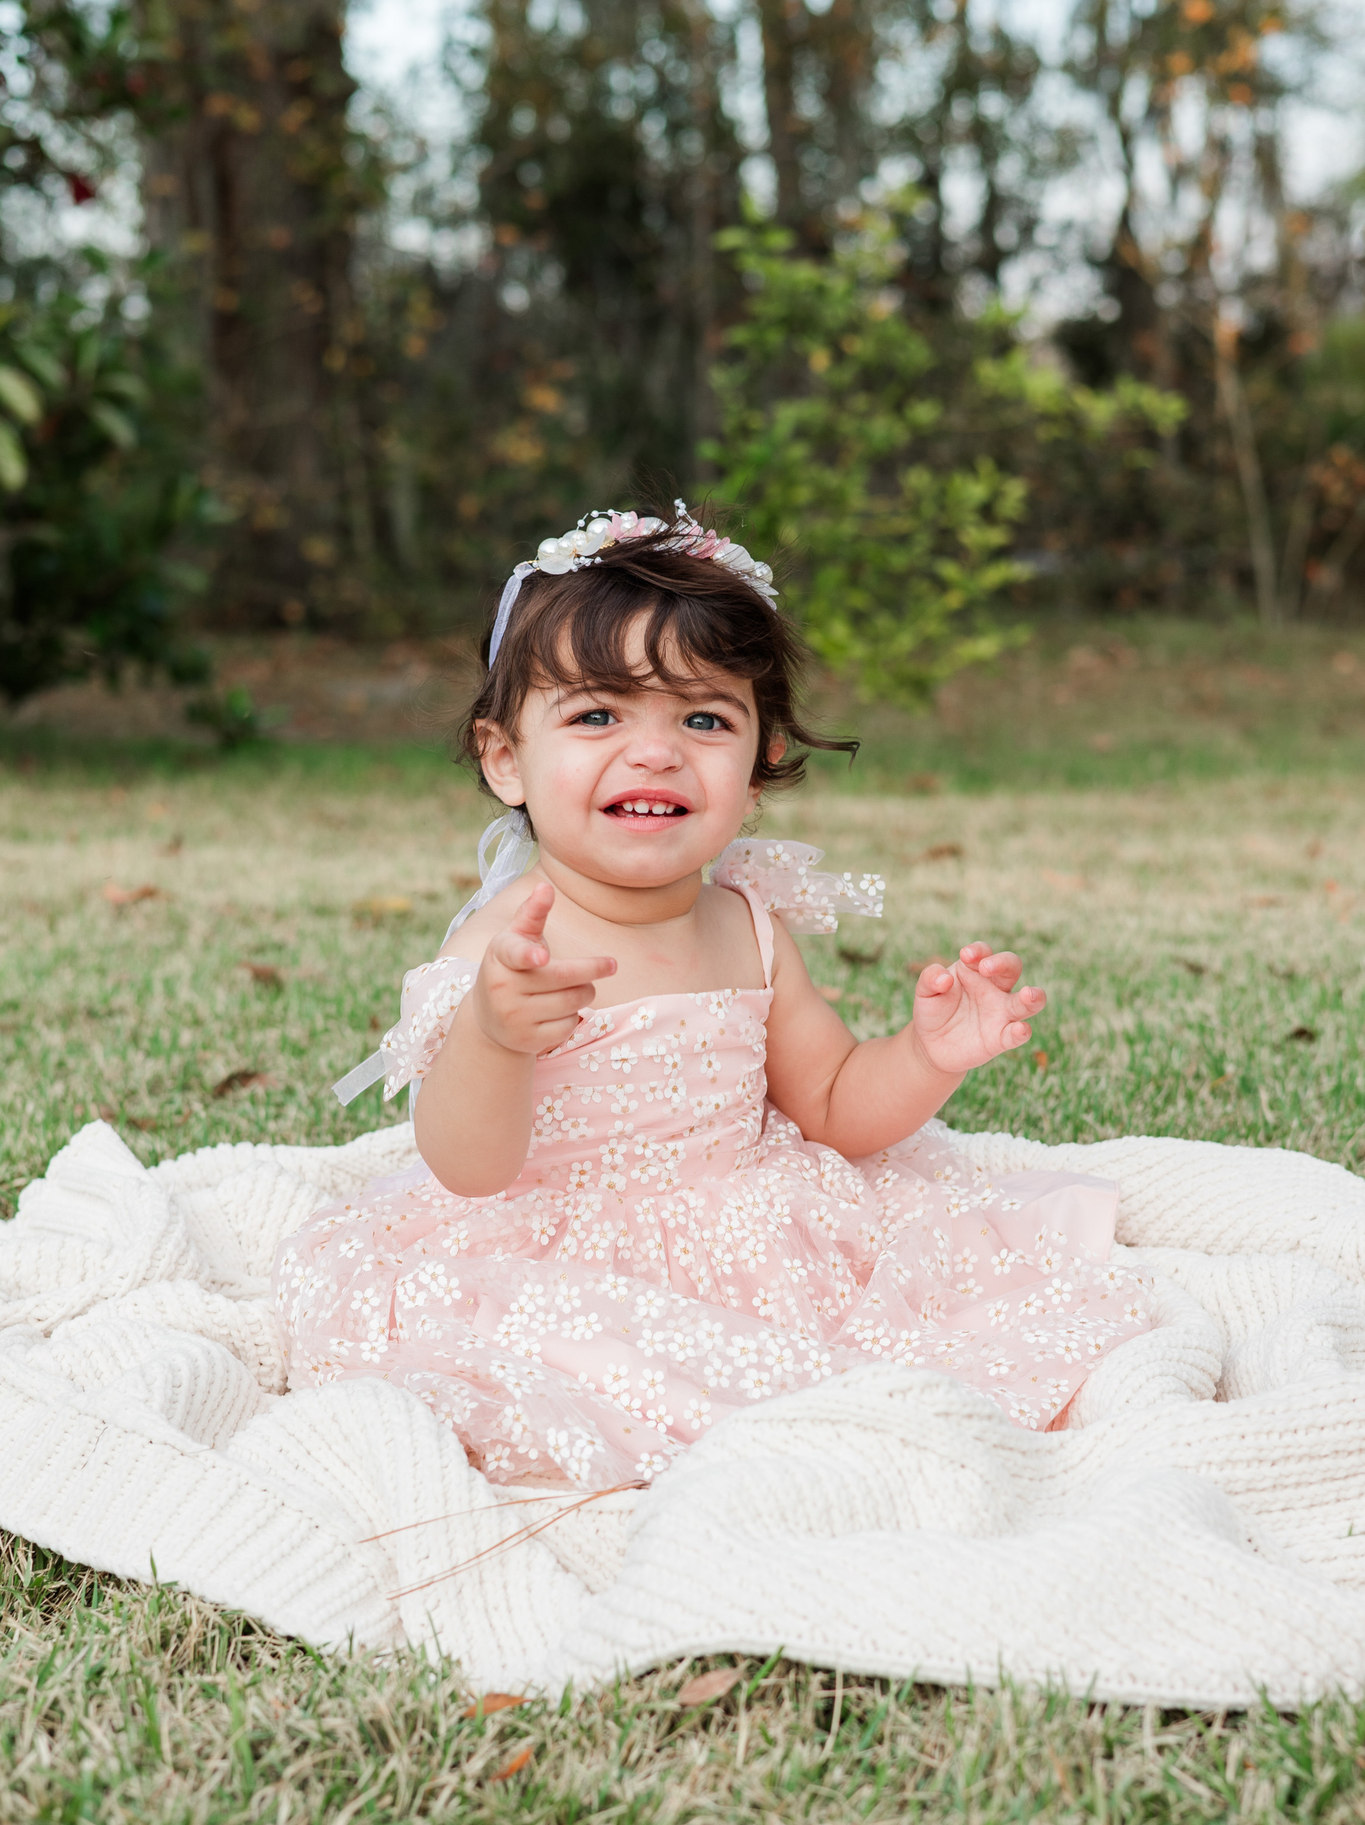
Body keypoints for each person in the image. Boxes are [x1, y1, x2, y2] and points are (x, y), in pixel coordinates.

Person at [274, 503, 1152, 1490]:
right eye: (598, 713)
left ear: (760, 764)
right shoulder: (507, 942)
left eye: (703, 717)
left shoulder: (747, 921)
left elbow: (832, 1106)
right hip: (554, 1246)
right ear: (506, 756)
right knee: (568, 1365)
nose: (655, 752)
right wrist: (492, 1033)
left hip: (755, 1237)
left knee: (915, 1340)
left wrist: (923, 1055)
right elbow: (466, 1164)